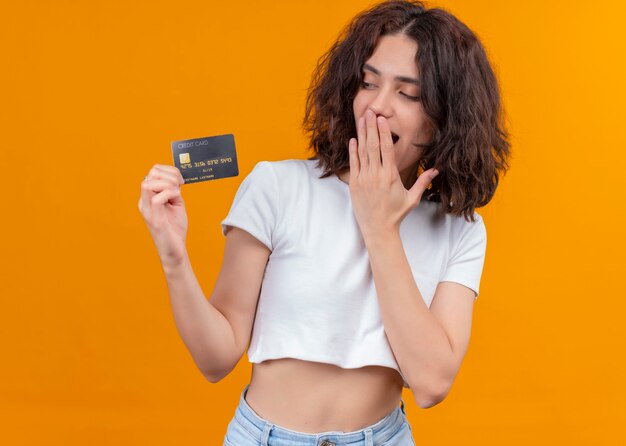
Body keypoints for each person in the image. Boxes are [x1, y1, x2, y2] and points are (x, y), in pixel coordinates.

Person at [138, 0, 511, 444]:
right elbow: (215, 360)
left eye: (408, 94)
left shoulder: (460, 230)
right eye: (369, 83)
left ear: (443, 120)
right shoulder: (277, 188)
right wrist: (173, 255)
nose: (377, 106)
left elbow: (431, 384)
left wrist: (381, 228)